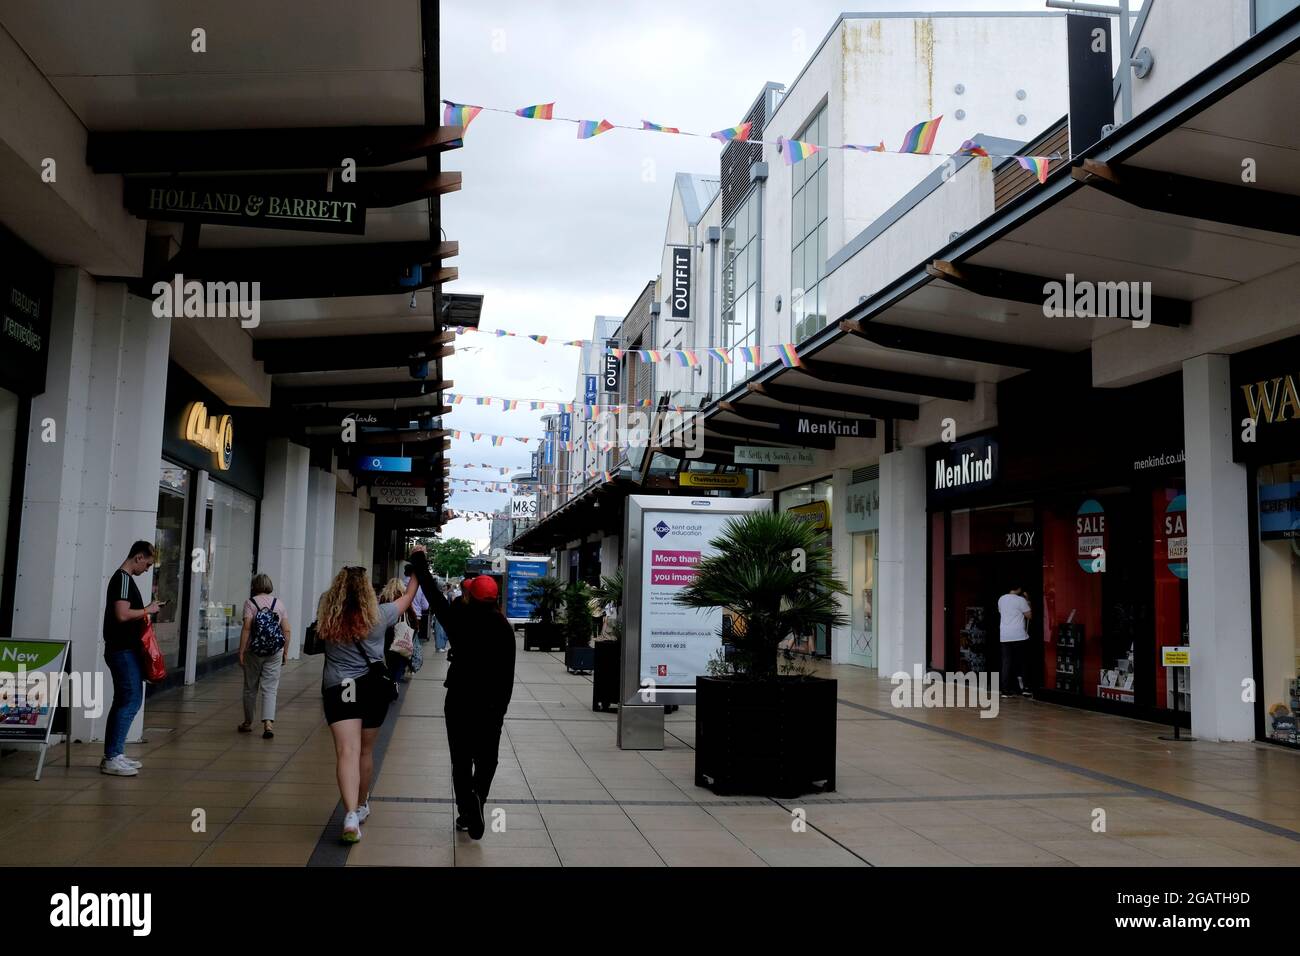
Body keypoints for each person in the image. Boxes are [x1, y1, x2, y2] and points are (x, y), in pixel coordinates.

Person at [409, 551, 514, 841]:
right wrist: (501, 709)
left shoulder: (459, 620)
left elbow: (433, 595)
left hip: (459, 702)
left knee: (461, 759)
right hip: (491, 707)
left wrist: (419, 562)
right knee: (487, 759)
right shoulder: (504, 628)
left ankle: (468, 809)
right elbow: (508, 676)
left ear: (471, 597)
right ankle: (477, 800)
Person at [318, 565, 419, 844]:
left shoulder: (327, 611)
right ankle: (361, 805)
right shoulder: (380, 614)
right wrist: (418, 570)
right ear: (366, 590)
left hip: (339, 687)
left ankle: (350, 814)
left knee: (346, 751)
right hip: (372, 688)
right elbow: (408, 596)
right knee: (365, 751)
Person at [101, 541, 160, 777]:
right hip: (122, 650)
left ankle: (115, 753)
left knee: (124, 700)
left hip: (123, 649)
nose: (147, 569)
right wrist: (149, 610)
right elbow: (122, 614)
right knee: (130, 700)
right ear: (138, 557)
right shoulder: (123, 580)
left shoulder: (125, 580)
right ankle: (113, 756)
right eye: (147, 563)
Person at [238, 574, 290, 739]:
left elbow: (247, 628)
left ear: (254, 586)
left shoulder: (250, 603)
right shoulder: (279, 604)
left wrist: (241, 650)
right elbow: (287, 630)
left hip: (254, 651)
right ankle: (268, 723)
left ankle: (248, 722)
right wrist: (285, 651)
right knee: (270, 688)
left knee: (250, 688)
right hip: (274, 651)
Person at [998, 585, 1033, 698]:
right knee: (1022, 662)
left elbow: (1001, 612)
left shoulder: (1001, 599)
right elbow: (1029, 615)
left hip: (1004, 635)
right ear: (1018, 588)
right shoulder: (1021, 600)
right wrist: (1028, 600)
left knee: (1006, 662)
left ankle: (1005, 690)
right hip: (1018, 635)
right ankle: (1025, 688)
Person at [378, 578, 415, 685]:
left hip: (386, 631)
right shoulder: (403, 598)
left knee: (389, 656)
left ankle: (390, 678)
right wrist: (415, 627)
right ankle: (395, 681)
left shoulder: (384, 598)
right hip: (401, 631)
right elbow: (411, 614)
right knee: (401, 656)